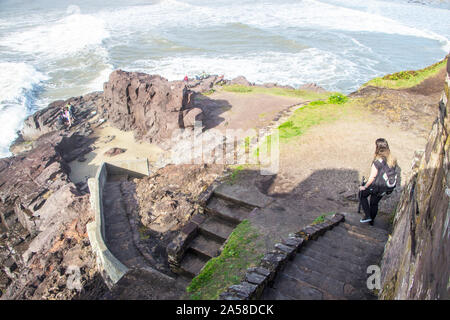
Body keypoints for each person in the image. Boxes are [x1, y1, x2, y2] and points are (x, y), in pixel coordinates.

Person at [359, 138, 397, 225]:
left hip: (377, 186)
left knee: (362, 194)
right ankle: (371, 221)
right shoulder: (392, 159)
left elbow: (372, 177)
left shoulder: (377, 162)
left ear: (378, 148)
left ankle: (367, 216)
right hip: (385, 188)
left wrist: (364, 187)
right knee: (374, 203)